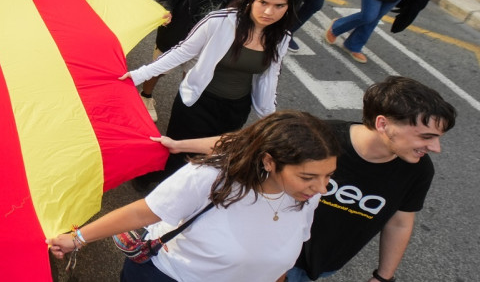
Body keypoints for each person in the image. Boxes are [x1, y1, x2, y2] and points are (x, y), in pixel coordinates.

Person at [47, 110, 339, 282]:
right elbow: (143, 212)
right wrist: (77, 238)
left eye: (328, 176)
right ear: (269, 161)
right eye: (309, 177)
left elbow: (285, 246)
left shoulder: (306, 194)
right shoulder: (211, 178)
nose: (322, 188)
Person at [127, 0, 297, 177]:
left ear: (289, 7)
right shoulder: (219, 21)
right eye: (263, 2)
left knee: (211, 158)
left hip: (235, 109)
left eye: (279, 5)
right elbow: (181, 52)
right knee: (177, 152)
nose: (269, 12)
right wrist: (138, 75)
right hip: (197, 101)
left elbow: (269, 78)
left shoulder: (282, 37)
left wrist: (271, 120)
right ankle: (152, 179)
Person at [286, 77, 457, 282]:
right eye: (426, 137)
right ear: (383, 124)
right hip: (269, 252)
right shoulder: (320, 138)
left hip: (319, 267)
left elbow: (399, 222)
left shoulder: (418, 171)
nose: (436, 148)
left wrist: (383, 277)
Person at [137, 0, 257, 120]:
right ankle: (146, 96)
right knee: (160, 68)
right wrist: (166, 10)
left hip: (209, 38)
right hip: (178, 34)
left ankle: (185, 104)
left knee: (193, 75)